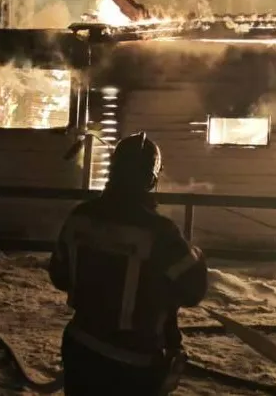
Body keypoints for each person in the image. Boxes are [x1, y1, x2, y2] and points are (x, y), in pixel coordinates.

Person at [48, 132, 208, 395]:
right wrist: (197, 257)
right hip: (133, 363)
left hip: (81, 349)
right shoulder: (160, 232)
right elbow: (193, 290)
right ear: (151, 179)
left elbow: (59, 275)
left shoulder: (81, 216)